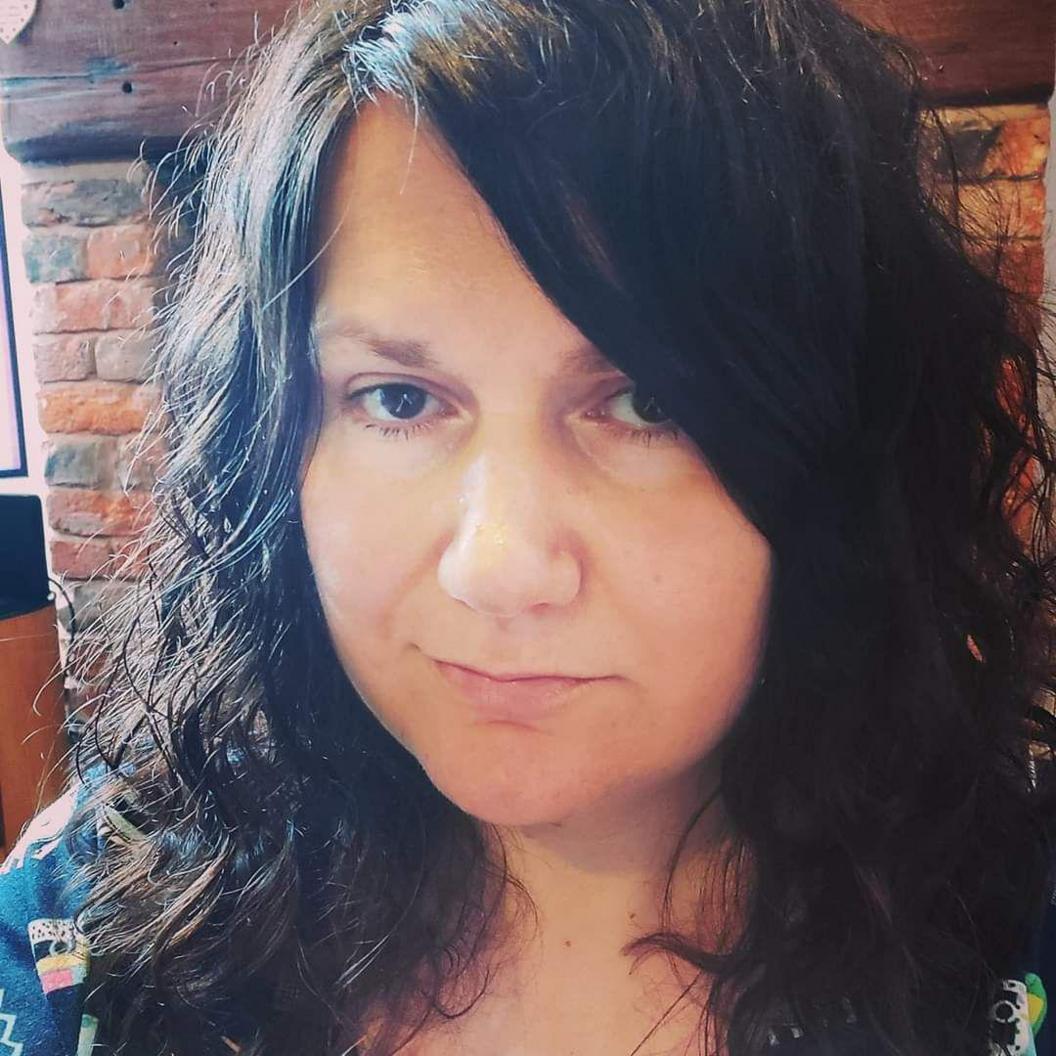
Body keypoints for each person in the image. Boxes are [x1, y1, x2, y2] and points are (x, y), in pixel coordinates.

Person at [3, 0, 1056, 1053]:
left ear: (841, 443)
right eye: (399, 400)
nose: (497, 568)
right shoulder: (95, 928)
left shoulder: (1014, 933)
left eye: (651, 403)